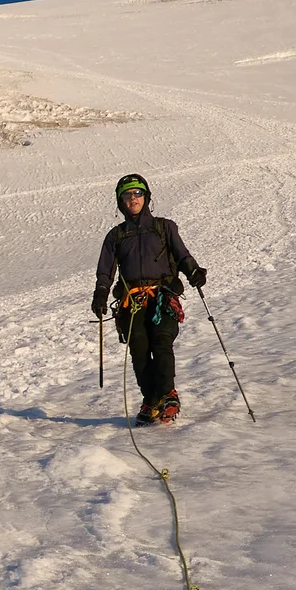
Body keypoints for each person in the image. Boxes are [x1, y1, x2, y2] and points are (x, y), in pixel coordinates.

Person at [91, 173, 207, 425]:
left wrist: (194, 271)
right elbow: (105, 270)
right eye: (127, 195)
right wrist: (100, 293)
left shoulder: (165, 227)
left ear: (146, 197)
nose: (132, 198)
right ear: (120, 202)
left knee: (161, 341)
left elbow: (182, 254)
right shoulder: (116, 236)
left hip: (163, 296)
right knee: (139, 349)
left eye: (137, 193)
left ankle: (168, 395)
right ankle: (151, 399)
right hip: (132, 302)